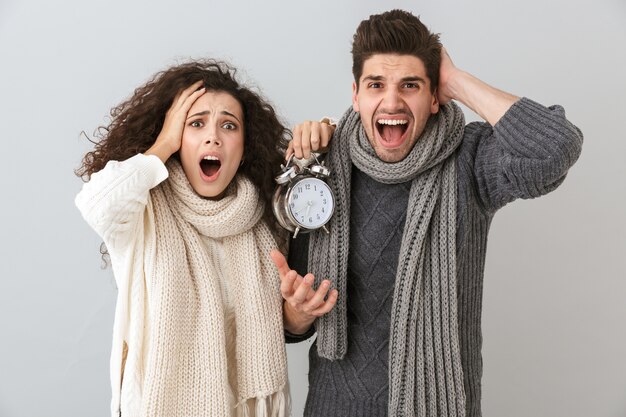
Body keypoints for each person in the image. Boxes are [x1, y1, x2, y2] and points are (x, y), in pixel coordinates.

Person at [270, 9, 583, 417]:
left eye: (411, 85)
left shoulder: (470, 160)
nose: (392, 101)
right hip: (334, 406)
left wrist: (456, 80)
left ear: (434, 97)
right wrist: (296, 313)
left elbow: (554, 149)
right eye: (376, 85)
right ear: (356, 95)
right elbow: (295, 326)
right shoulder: (321, 167)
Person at [76, 60, 292, 417]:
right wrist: (163, 143)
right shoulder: (143, 210)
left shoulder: (266, 220)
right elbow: (95, 204)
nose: (213, 137)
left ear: (245, 144)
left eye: (228, 125)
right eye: (196, 123)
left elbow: (284, 320)